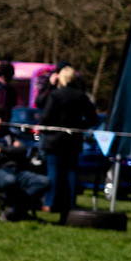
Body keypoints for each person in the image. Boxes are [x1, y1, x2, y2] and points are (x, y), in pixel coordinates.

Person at [36, 65, 95, 216]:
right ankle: (70, 203)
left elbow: (46, 117)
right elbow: (92, 118)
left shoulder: (55, 95)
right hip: (73, 140)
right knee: (71, 173)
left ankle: (50, 202)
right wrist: (79, 127)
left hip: (54, 139)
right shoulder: (81, 96)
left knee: (53, 172)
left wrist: (45, 127)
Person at [0, 117, 50, 220]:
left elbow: (22, 149)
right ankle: (18, 210)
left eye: (0, 117)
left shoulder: (8, 135)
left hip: (15, 170)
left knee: (44, 181)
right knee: (10, 180)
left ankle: (15, 210)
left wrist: (1, 150)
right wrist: (11, 150)